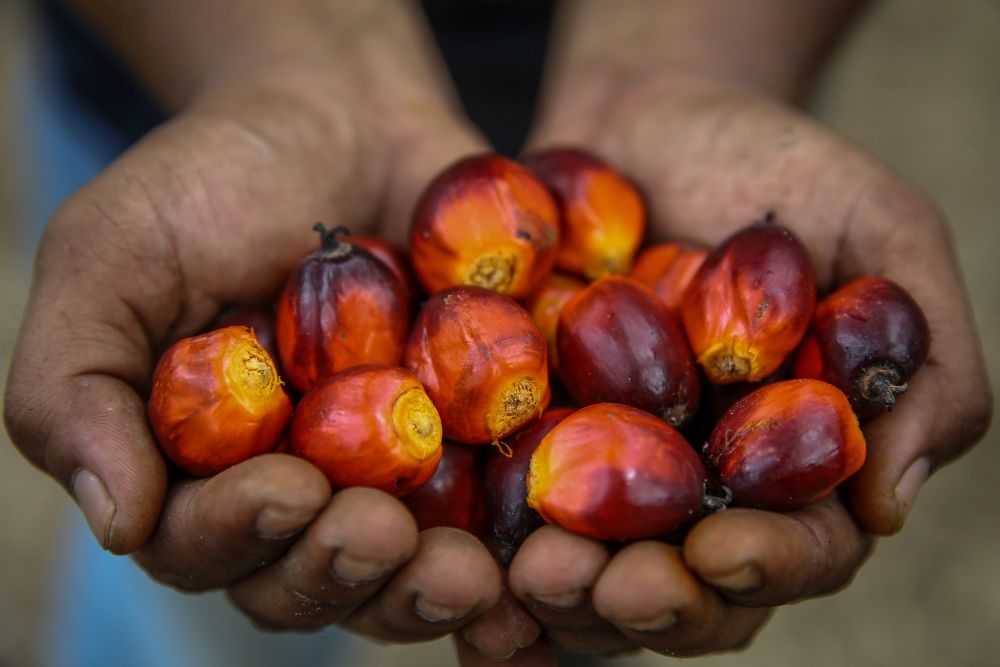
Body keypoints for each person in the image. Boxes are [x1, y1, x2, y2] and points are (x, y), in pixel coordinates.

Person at [3, 1, 992, 665]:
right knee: (201, 611)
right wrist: (285, 60)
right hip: (187, 77)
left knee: (590, 599)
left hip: (700, 61)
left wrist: (692, 50)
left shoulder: (597, 304)